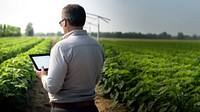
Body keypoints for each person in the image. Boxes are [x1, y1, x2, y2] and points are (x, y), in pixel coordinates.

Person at [34, 4, 105, 112]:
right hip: (90, 108)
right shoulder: (97, 46)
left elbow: (53, 87)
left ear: (65, 22)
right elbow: (95, 79)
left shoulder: (61, 47)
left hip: (64, 108)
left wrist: (42, 76)